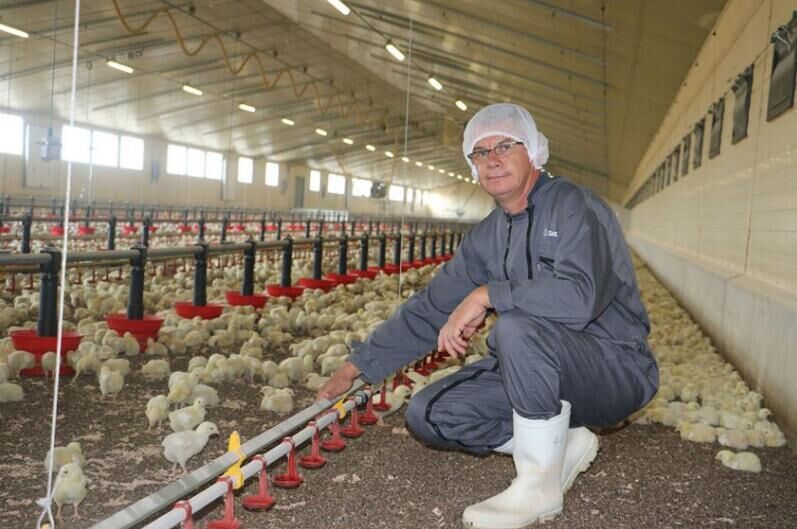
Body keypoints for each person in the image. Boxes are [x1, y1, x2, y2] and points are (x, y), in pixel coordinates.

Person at [317, 103, 658, 528]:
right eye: (480, 153)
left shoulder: (574, 207)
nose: (492, 159)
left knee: (517, 328)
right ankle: (563, 444)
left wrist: (488, 294)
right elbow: (432, 308)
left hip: (613, 369)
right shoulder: (488, 235)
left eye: (505, 146)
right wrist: (355, 368)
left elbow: (579, 298)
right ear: (472, 167)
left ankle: (538, 489)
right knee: (429, 414)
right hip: (535, 369)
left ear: (533, 152)